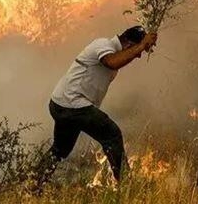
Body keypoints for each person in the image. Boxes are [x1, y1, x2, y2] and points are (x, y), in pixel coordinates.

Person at [33, 25, 157, 190]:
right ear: (128, 43)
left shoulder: (112, 49)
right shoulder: (103, 45)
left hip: (61, 104)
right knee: (111, 134)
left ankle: (32, 184)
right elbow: (112, 62)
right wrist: (141, 45)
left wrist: (140, 47)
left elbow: (118, 60)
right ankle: (128, 188)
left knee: (60, 149)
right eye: (137, 50)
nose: (139, 55)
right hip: (72, 104)